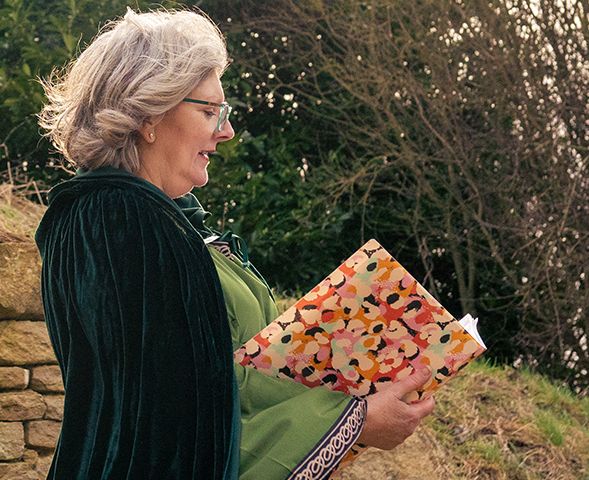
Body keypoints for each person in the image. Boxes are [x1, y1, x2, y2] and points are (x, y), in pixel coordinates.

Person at [34, 9, 436, 480]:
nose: (225, 131)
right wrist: (354, 420)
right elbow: (175, 425)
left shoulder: (155, 221)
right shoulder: (119, 222)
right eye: (209, 111)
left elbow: (213, 383)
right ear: (150, 115)